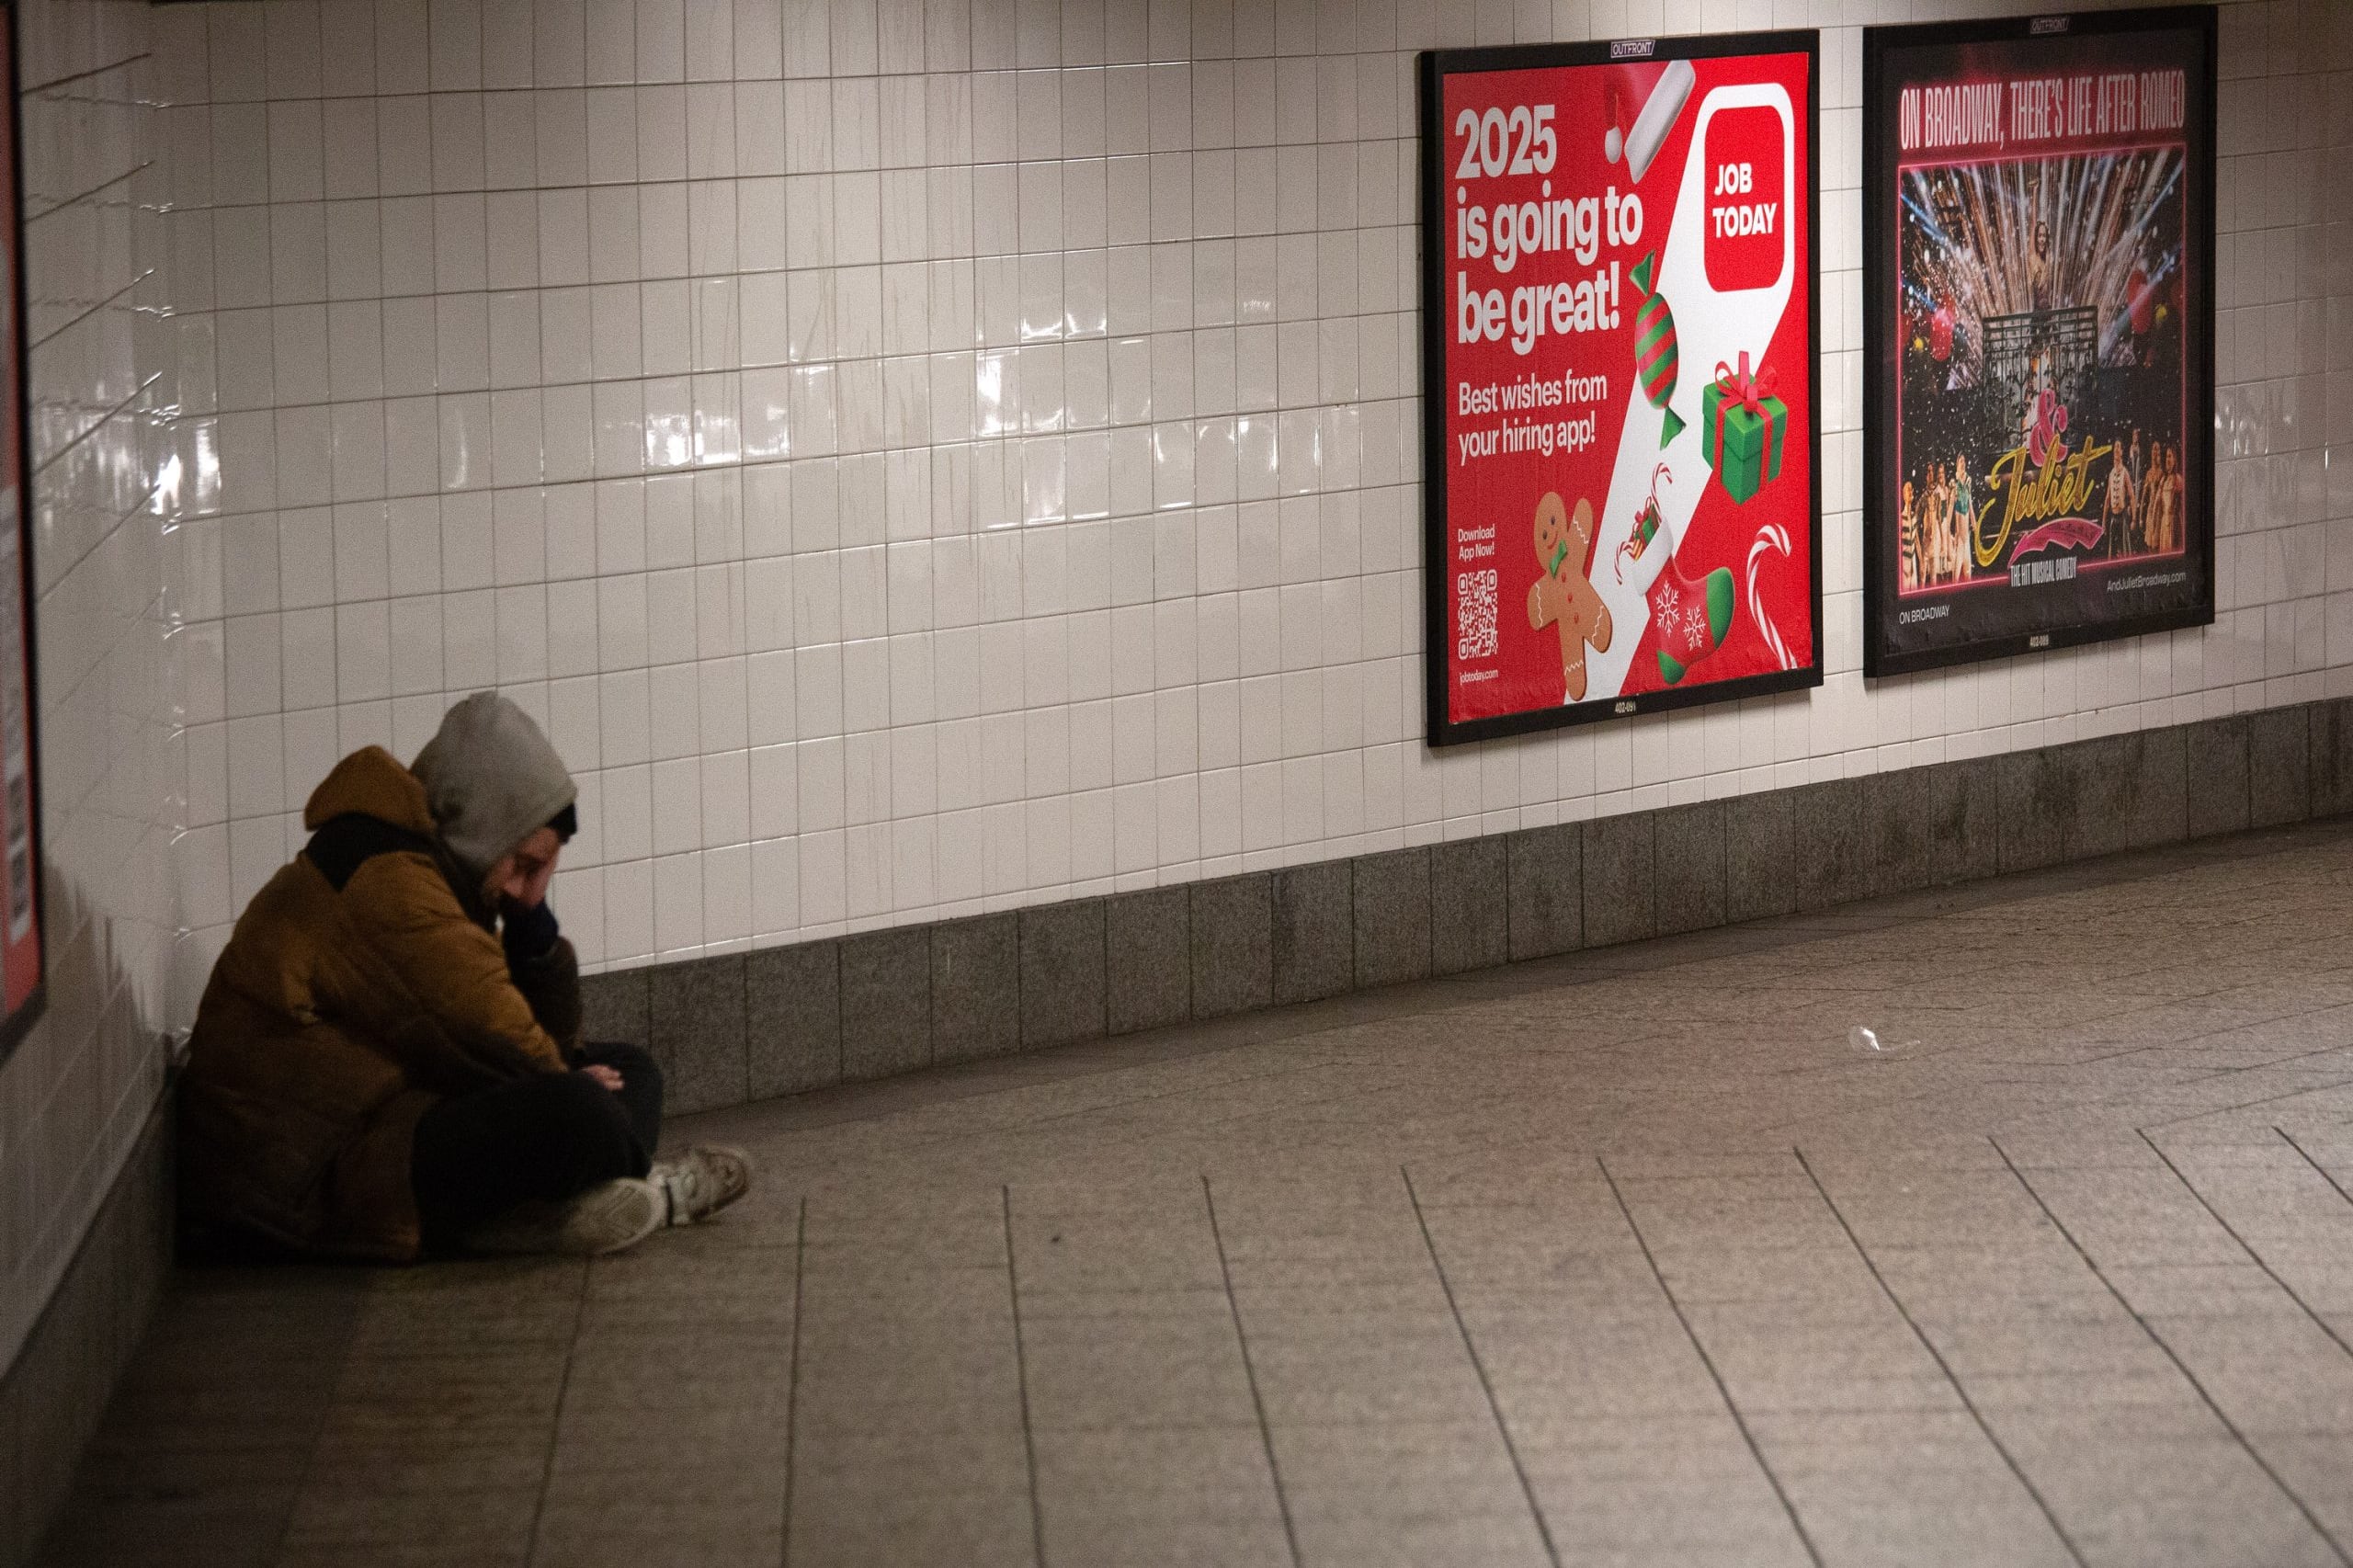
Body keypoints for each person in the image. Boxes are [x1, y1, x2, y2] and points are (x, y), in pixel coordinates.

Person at [178, 691, 751, 1260]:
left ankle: (543, 1214)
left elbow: (532, 1043)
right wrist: (566, 1086)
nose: (525, 890)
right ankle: (643, 1193)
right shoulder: (387, 884)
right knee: (582, 1112)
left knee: (630, 1071)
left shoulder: (424, 865)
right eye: (524, 867)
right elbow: (497, 1032)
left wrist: (535, 932)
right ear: (483, 831)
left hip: (384, 1115)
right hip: (302, 1174)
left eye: (544, 870)